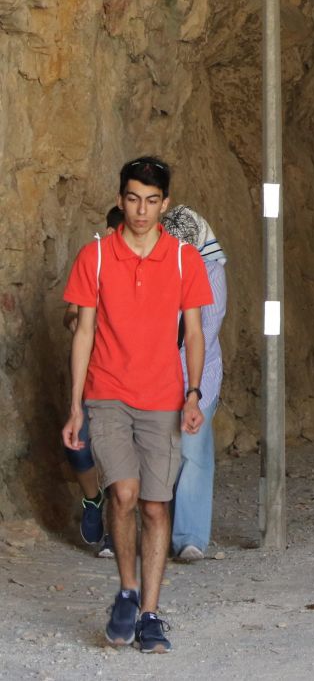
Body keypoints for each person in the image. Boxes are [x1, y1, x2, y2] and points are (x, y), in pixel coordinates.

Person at [61, 156, 212, 653]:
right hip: (107, 394)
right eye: (132, 199)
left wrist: (193, 394)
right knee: (123, 494)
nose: (141, 210)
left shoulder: (185, 259)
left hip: (163, 397)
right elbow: (83, 332)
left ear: (164, 204)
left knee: (154, 505)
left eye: (151, 201)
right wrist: (75, 406)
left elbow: (193, 332)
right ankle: (126, 589)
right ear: (121, 199)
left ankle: (149, 613)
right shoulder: (97, 256)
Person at [161, 203, 227, 563]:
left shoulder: (211, 272)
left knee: (193, 452)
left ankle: (189, 538)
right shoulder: (154, 267)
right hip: (154, 374)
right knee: (161, 452)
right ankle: (160, 532)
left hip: (198, 373)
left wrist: (192, 390)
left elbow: (203, 330)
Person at [61, 207, 124, 558]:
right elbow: (71, 312)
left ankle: (115, 536)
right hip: (93, 377)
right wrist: (76, 319)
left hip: (129, 381)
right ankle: (92, 498)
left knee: (120, 458)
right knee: (78, 447)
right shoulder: (95, 262)